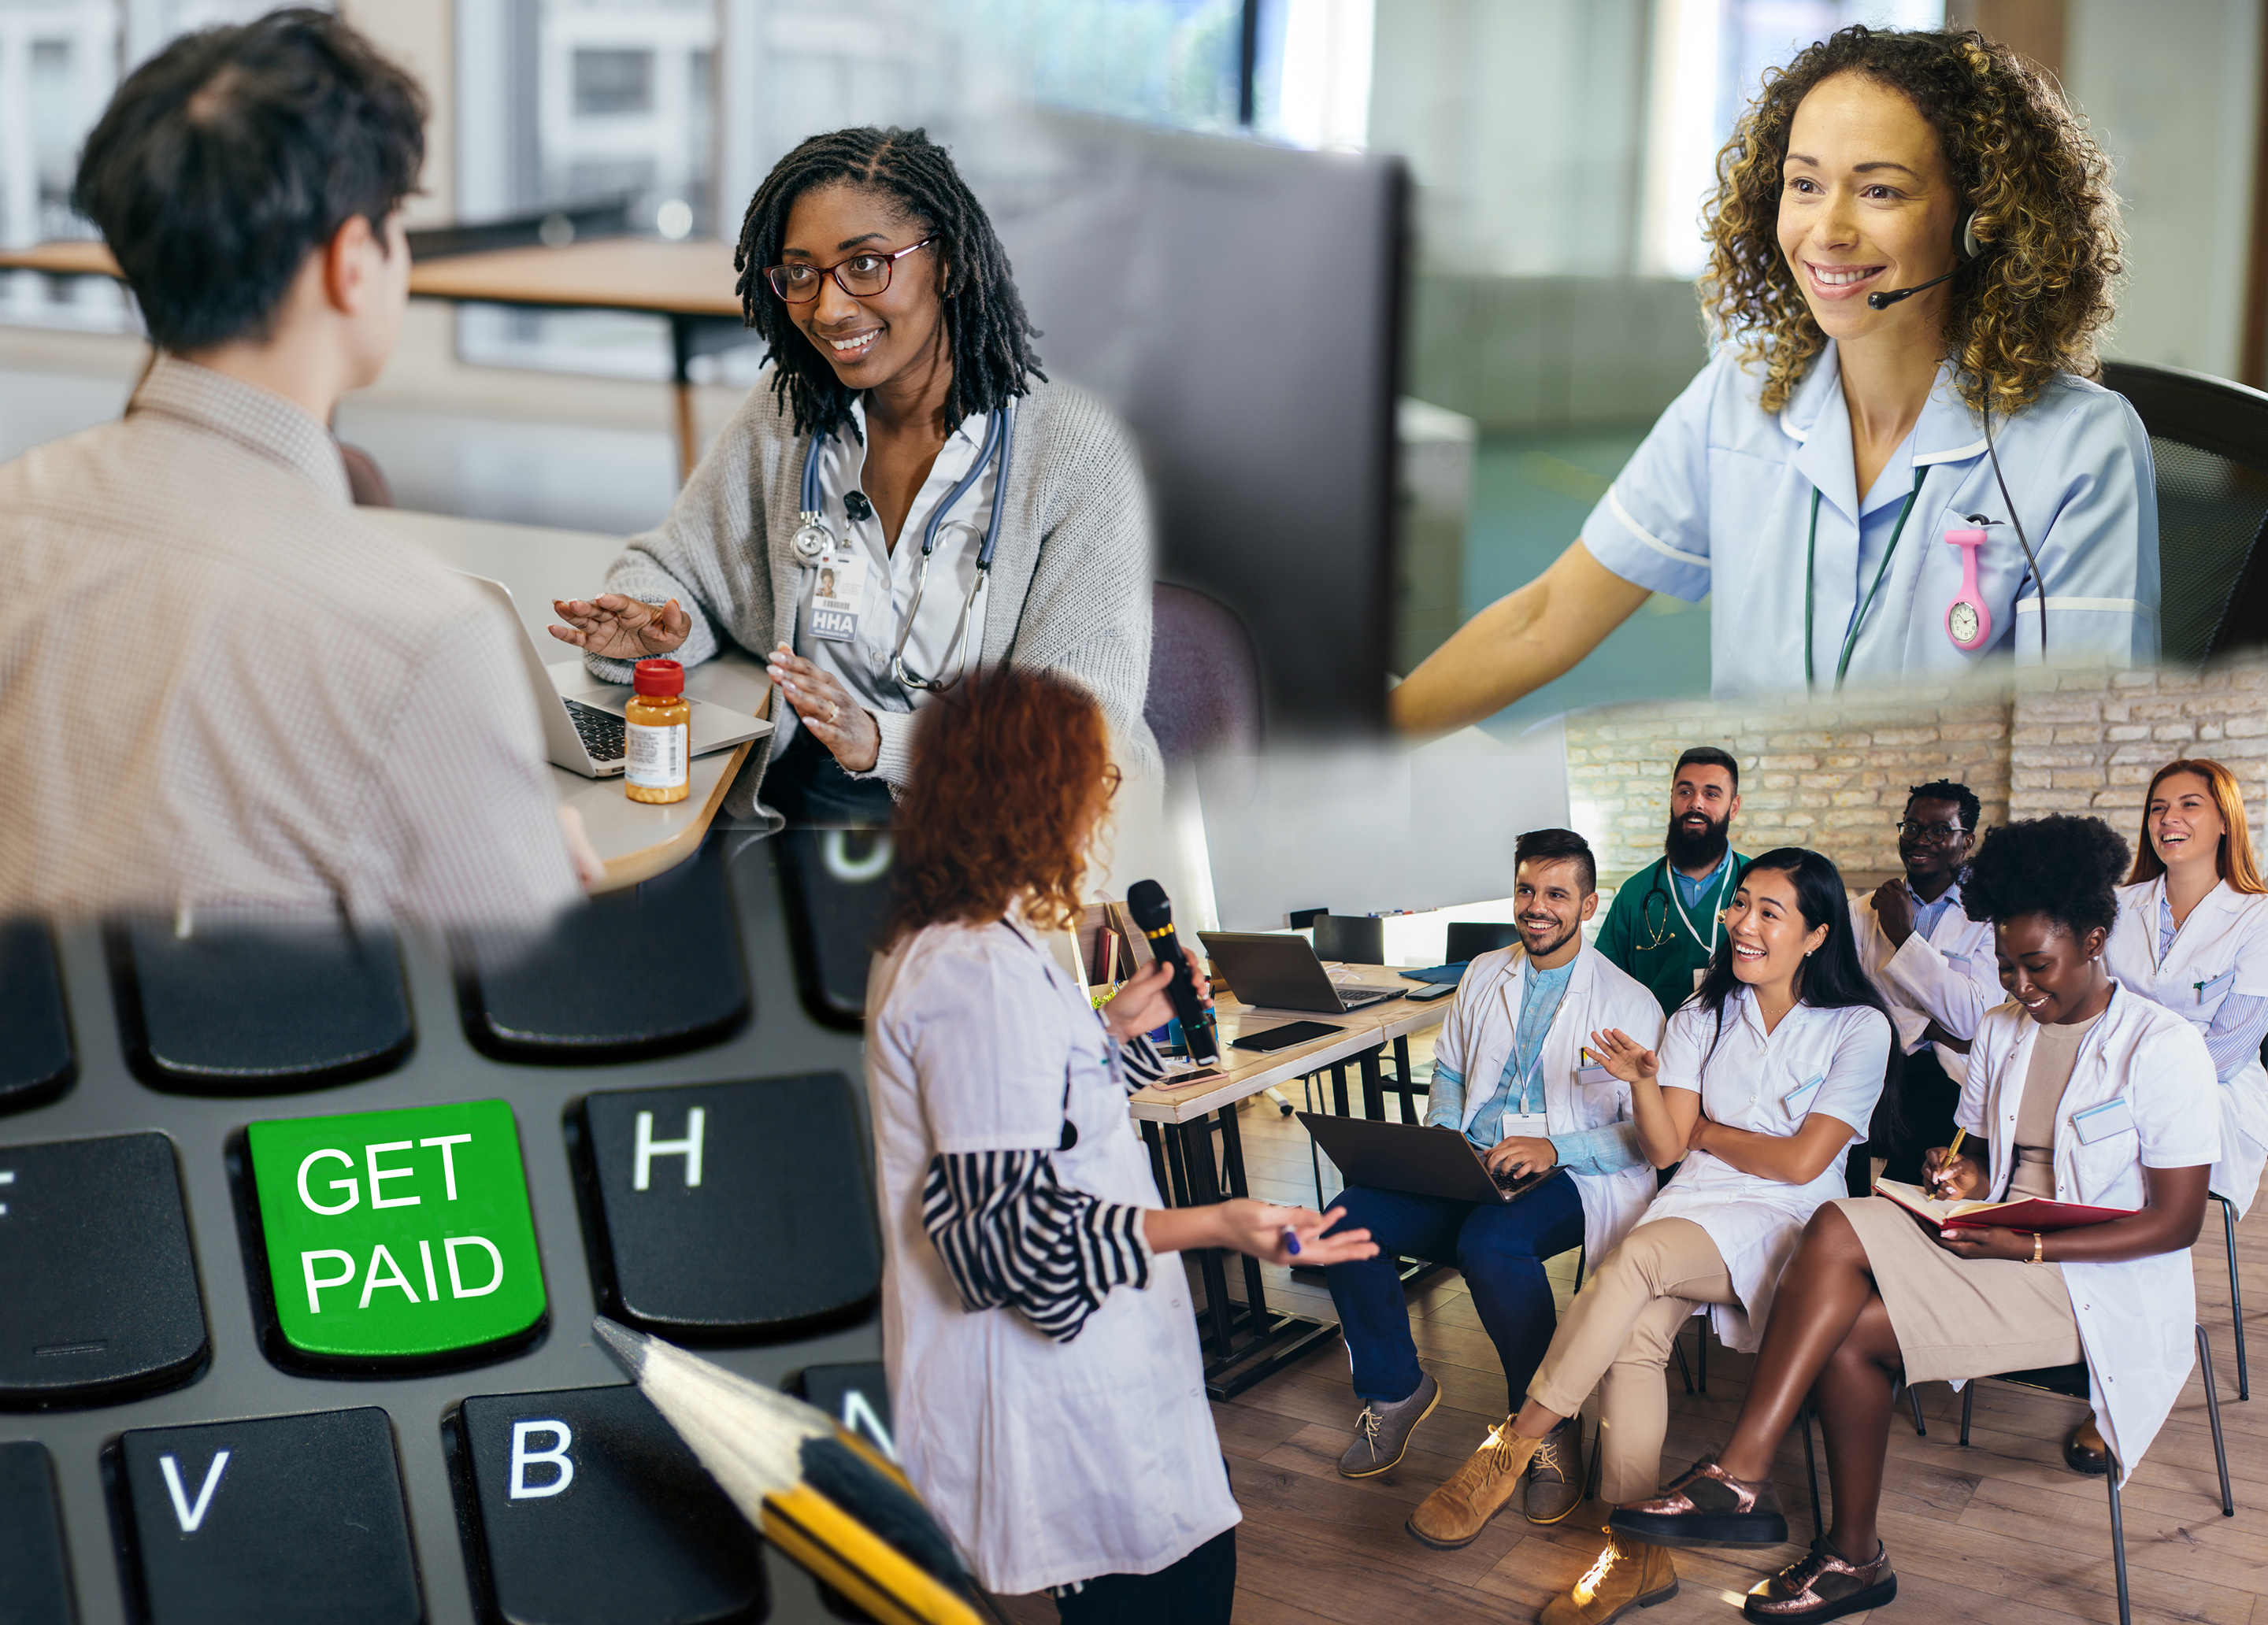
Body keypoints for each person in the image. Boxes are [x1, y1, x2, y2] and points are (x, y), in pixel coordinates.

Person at [0, 9, 593, 930]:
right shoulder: (422, 639)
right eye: (396, 225)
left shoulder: (15, 511)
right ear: (354, 262)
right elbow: (513, 998)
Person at [1389, 25, 2152, 734]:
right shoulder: (1745, 394)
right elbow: (1548, 614)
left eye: (1880, 190)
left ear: (1980, 219)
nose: (1828, 230)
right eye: (1805, 184)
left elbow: (2078, 763)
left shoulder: (2076, 448)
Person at [1610, 815, 2217, 1625]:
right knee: (1835, 1223)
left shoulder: (2162, 1046)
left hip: (2087, 1280)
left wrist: (2027, 1241)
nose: (2021, 988)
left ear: (2096, 939)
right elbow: (1983, 1155)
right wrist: (1957, 1170)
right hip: (1995, 1237)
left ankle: (1801, 1519)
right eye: (2006, 968)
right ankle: (1786, 1506)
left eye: (2038, 966)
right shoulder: (2003, 1030)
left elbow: (2177, 1226)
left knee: (1853, 1327)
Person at [863, 664, 1375, 1620]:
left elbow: (1043, 1119)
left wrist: (1115, 1037)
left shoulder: (981, 942)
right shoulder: (974, 972)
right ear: (1028, 790)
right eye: (1092, 778)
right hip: (1061, 1388)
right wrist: (1216, 1222)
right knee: (1168, 1587)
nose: (1103, 802)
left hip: (1102, 1366)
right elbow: (1002, 1239)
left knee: (1186, 1551)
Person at [548, 126, 1158, 830]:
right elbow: (677, 569)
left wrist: (883, 744)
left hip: (1002, 836)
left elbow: (1076, 737)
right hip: (808, 809)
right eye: (801, 273)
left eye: (866, 265)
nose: (829, 309)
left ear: (950, 263)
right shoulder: (791, 414)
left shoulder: (1075, 458)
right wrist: (657, 629)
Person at [1394, 849, 1890, 1625]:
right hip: (1694, 1201)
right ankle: (1633, 1559)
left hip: (1792, 1227)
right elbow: (1666, 1149)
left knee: (1637, 1259)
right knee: (1632, 1342)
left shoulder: (1858, 1028)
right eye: (1742, 906)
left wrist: (1709, 1131)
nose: (1744, 924)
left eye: (1770, 912)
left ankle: (1515, 1445)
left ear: (1818, 935)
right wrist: (1646, 1086)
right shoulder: (1700, 1014)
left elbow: (1800, 1162)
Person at [1323, 829, 1665, 1522]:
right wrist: (1446, 1135)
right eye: (1526, 890)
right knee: (1345, 1218)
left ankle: (1544, 1424)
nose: (1536, 907)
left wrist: (1555, 1149)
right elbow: (1448, 1070)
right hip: (1470, 1162)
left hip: (1574, 1176)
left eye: (1556, 895)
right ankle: (1393, 1389)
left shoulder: (1629, 1001)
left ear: (1589, 904)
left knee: (1491, 1244)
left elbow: (1649, 1137)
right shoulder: (1484, 972)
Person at [2074, 759, 2268, 1471]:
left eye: (2190, 805)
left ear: (2225, 819)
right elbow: (2092, 1014)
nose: (2170, 820)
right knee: (2066, 1162)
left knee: (2121, 1178)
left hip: (2214, 1098)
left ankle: (2123, 1388)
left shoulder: (2258, 916)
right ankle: (2067, 1338)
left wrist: (2125, 1104)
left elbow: (2229, 1046)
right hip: (2110, 1088)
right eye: (2158, 807)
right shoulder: (2119, 906)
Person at [1848, 780, 2000, 1184]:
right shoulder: (1862, 912)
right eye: (1911, 827)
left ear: (1966, 841)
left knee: (1912, 1186)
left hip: (1947, 1080)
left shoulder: (1990, 916)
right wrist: (1931, 1027)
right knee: (1846, 1173)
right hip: (1877, 1064)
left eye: (1939, 831)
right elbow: (1851, 1004)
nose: (1921, 840)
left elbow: (1974, 1020)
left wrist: (1905, 938)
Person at [1596, 747, 1751, 1015]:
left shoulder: (1757, 882)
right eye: (1685, 791)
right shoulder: (1634, 894)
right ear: (1672, 798)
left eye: (1711, 794)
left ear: (1734, 807)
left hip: (1736, 1046)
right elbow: (1602, 986)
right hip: (1651, 1046)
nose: (1696, 803)